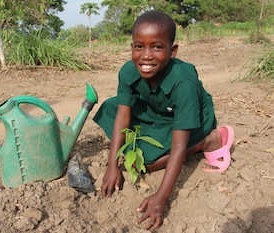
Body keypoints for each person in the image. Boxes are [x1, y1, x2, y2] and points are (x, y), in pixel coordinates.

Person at [93, 10, 234, 231]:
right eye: (139, 46)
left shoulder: (183, 82)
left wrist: (162, 196)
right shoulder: (129, 72)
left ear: (172, 51)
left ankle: (208, 141)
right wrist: (112, 166)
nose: (146, 56)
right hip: (157, 110)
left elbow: (178, 144)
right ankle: (152, 135)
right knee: (110, 107)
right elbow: (122, 114)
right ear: (132, 48)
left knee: (147, 162)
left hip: (192, 117)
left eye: (157, 47)